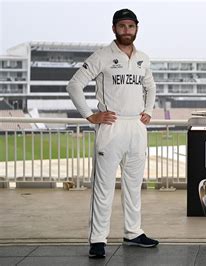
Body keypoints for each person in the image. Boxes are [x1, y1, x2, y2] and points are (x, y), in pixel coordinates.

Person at [66, 8, 158, 258]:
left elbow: (150, 86)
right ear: (114, 28)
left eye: (131, 26)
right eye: (122, 26)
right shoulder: (103, 55)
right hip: (111, 126)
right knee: (104, 187)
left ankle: (133, 232)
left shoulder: (143, 58)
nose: (126, 31)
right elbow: (74, 84)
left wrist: (148, 110)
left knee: (133, 185)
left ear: (137, 28)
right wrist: (90, 115)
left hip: (136, 127)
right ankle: (98, 240)